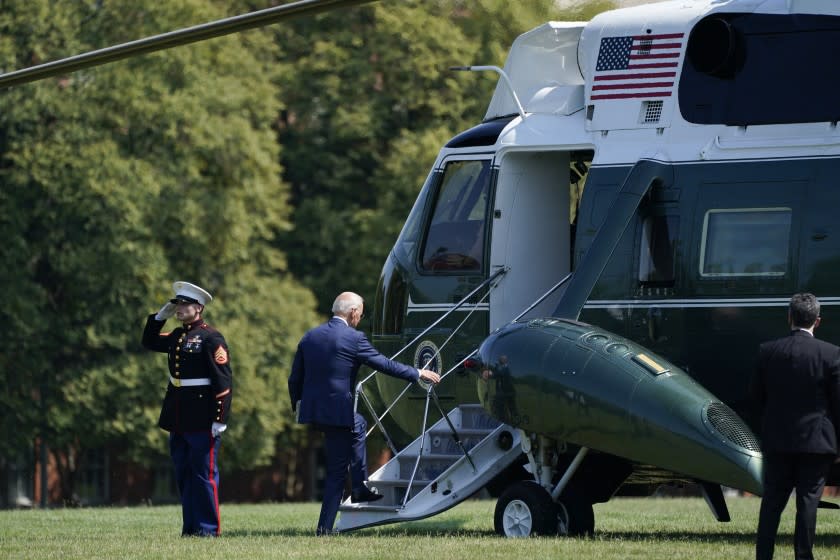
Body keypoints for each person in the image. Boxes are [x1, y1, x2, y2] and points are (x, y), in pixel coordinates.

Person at [288, 291, 441, 535]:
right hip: (338, 412)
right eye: (360, 312)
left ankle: (336, 514)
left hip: (315, 412)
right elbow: (384, 364)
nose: (361, 317)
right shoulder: (353, 338)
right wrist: (417, 373)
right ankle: (352, 495)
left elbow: (294, 378)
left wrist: (298, 406)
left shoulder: (310, 336)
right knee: (340, 465)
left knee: (356, 427)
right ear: (352, 312)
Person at [750, 293, 840, 560]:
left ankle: (763, 555)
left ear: (789, 317)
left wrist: (763, 432)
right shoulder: (832, 354)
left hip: (777, 442)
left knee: (772, 504)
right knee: (808, 503)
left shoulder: (767, 351)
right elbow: (838, 404)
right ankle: (803, 555)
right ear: (818, 321)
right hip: (817, 443)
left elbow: (756, 399)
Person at [142, 281, 233, 537]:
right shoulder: (177, 336)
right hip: (178, 415)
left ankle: (208, 529)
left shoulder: (210, 337)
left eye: (184, 304)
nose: (179, 308)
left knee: (204, 475)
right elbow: (148, 341)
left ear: (199, 307)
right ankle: (191, 528)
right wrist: (160, 317)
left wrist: (219, 418)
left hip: (203, 417)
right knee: (183, 473)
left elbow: (223, 380)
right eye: (177, 303)